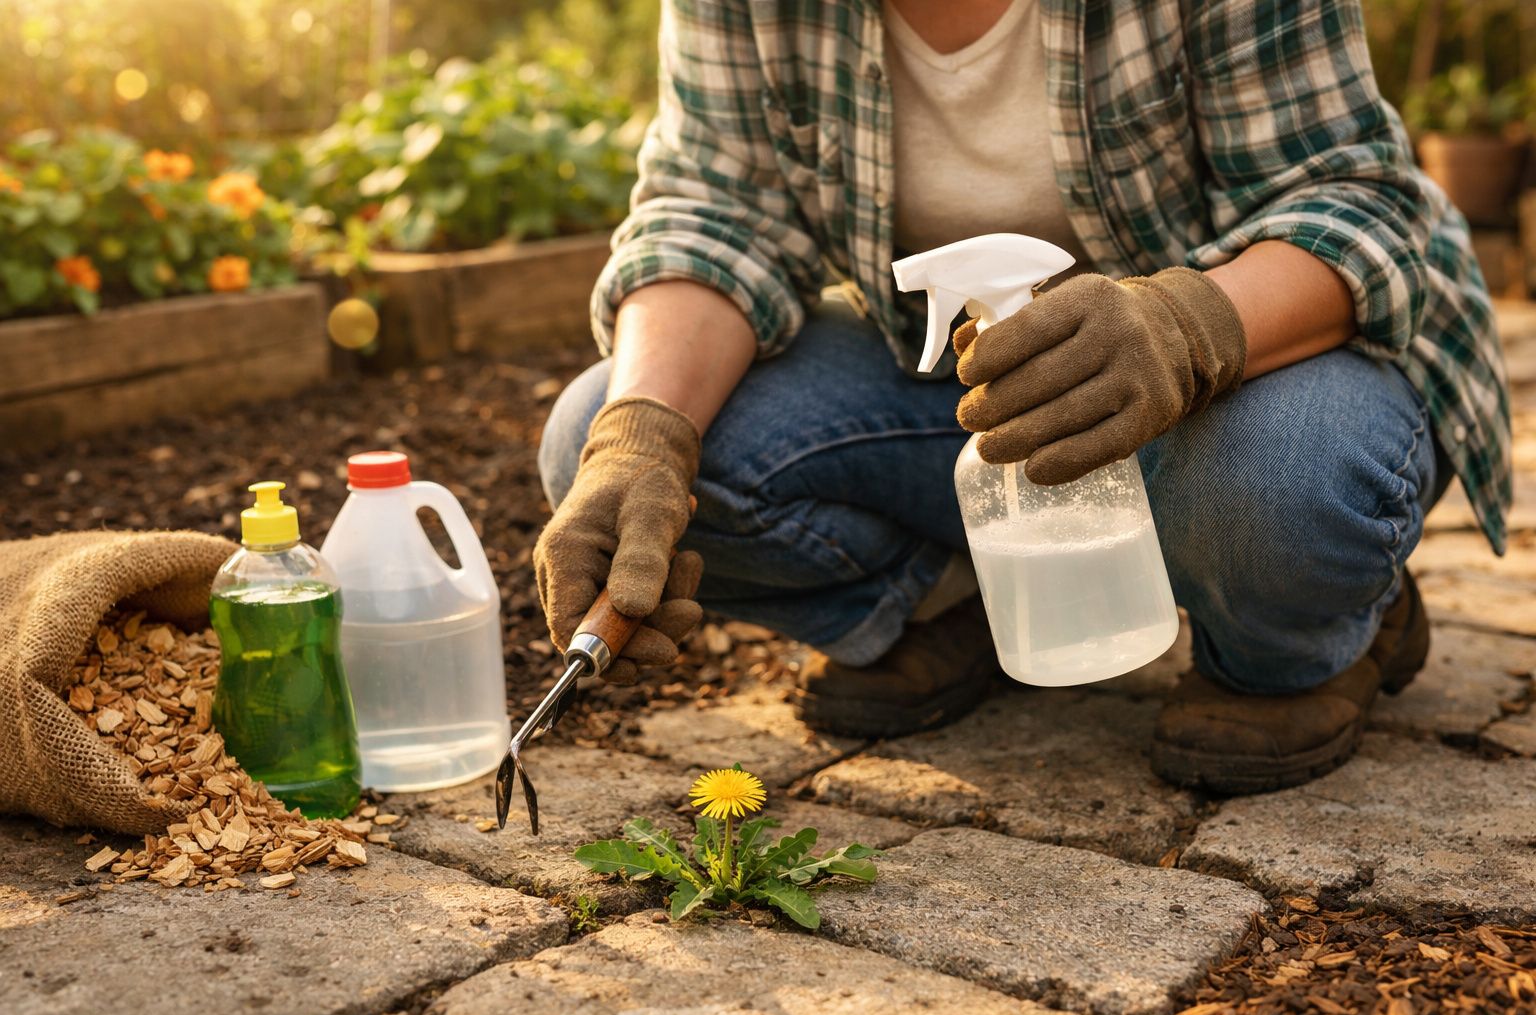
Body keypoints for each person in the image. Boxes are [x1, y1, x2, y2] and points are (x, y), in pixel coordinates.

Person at [534, 0, 1511, 794]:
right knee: (600, 428)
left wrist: (1183, 330)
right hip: (967, 392)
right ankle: (952, 602)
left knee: (1281, 490)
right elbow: (713, 214)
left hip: (1254, 371)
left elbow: (1354, 201)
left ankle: (1305, 641)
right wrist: (640, 437)